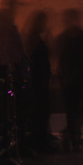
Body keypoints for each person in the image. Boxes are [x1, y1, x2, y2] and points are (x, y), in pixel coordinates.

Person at [54, 8, 83, 152]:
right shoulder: (82, 37)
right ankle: (74, 137)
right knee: (74, 110)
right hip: (76, 79)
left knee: (80, 109)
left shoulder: (69, 38)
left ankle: (71, 132)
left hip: (78, 79)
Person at [23, 10, 55, 151]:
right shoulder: (34, 39)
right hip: (38, 81)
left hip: (40, 80)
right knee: (41, 110)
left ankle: (42, 138)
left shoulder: (35, 38)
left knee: (42, 110)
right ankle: (40, 141)